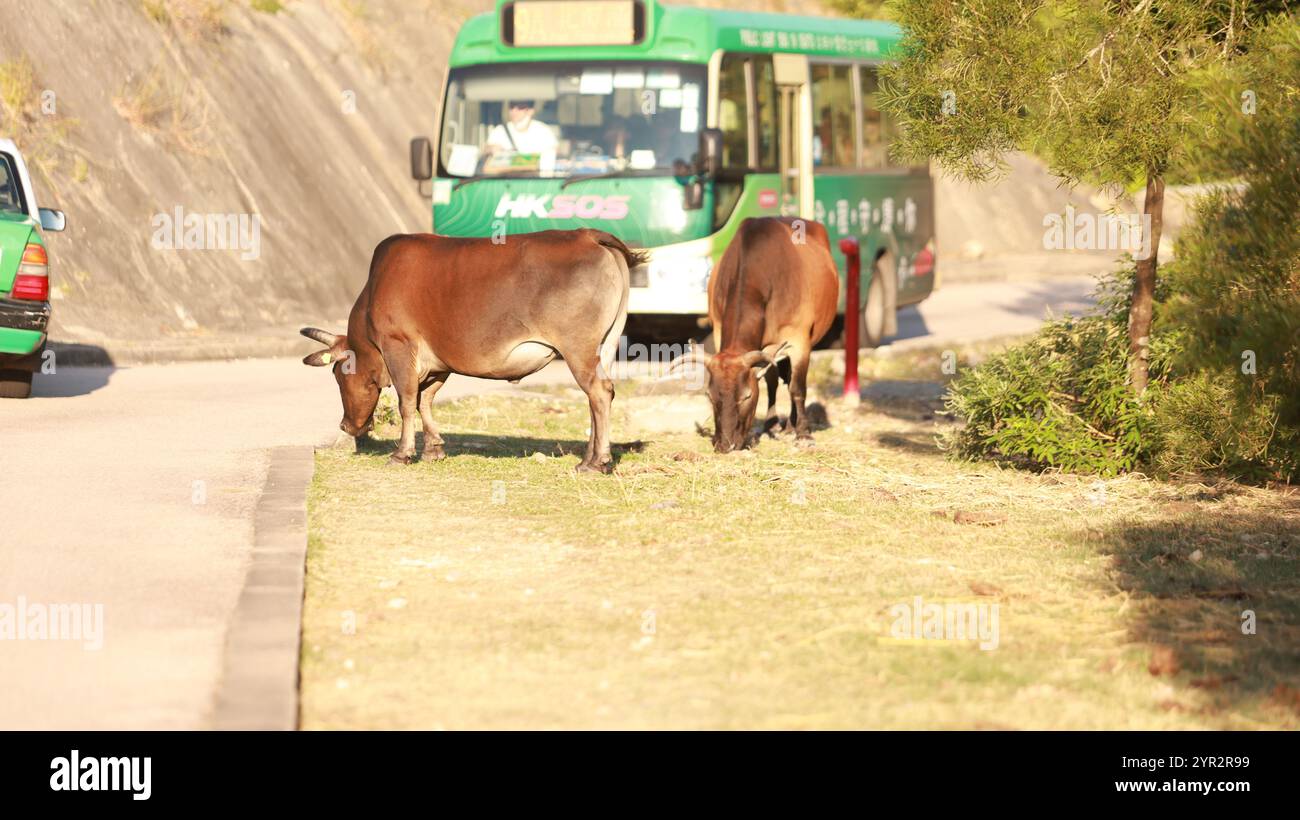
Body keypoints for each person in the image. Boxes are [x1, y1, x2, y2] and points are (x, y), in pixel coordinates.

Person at [485, 100, 558, 155]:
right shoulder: (500, 130)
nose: (514, 111)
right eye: (511, 107)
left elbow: (554, 152)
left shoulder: (543, 131)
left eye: (520, 107)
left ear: (530, 111)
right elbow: (487, 150)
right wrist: (491, 149)